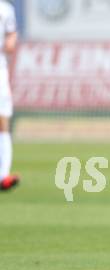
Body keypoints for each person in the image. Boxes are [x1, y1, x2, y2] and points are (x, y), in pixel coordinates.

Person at [0, 0, 18, 191]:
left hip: (0, 71)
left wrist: (10, 42)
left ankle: (3, 176)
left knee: (3, 122)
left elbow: (11, 38)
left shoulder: (5, 9)